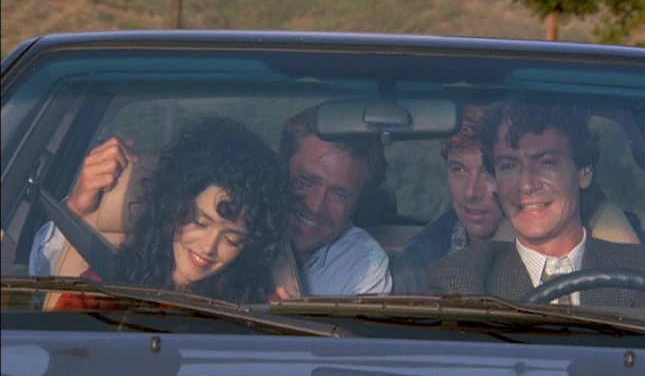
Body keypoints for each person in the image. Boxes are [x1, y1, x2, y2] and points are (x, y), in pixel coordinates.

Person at [428, 98, 645, 309]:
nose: (526, 185)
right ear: (497, 180)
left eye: (547, 163)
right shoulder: (462, 282)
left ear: (584, 171)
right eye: (509, 166)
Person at [34, 117, 292, 307]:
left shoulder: (256, 313)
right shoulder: (101, 289)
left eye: (232, 239)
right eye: (200, 222)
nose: (208, 247)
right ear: (174, 205)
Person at [279, 105, 393, 296]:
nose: (315, 206)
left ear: (356, 205)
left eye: (339, 195)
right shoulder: (235, 226)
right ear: (280, 167)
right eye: (306, 180)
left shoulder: (363, 265)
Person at [392, 105, 504, 294]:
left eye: (488, 171)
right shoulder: (421, 261)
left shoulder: (546, 248)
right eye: (459, 169)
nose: (471, 192)